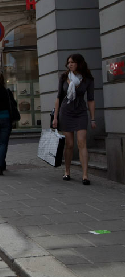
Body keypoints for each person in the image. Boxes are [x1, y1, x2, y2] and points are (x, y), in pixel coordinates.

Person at [52, 54, 95, 185]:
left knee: (82, 142)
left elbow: (91, 99)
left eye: (72, 62)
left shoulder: (87, 79)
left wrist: (93, 118)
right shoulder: (64, 77)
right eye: (68, 62)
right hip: (66, 112)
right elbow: (59, 97)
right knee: (69, 144)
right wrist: (55, 117)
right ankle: (67, 171)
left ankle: (85, 175)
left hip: (81, 112)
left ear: (79, 64)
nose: (69, 64)